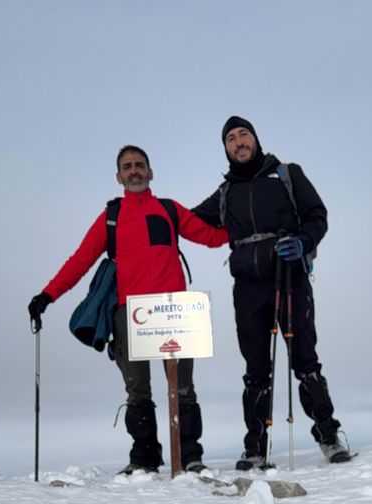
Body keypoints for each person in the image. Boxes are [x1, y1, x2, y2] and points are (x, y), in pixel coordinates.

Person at [28, 145, 229, 475]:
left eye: (139, 165)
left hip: (174, 310)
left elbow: (210, 237)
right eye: (127, 166)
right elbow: (80, 260)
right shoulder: (112, 216)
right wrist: (47, 295)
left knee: (183, 389)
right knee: (138, 389)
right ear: (119, 176)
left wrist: (248, 229)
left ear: (151, 173)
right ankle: (145, 458)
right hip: (130, 313)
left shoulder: (169, 209)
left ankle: (191, 455)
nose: (134, 171)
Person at [192, 116, 351, 470]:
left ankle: (328, 435)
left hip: (288, 276)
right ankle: (255, 447)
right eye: (230, 138)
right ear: (226, 149)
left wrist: (303, 241)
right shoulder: (225, 193)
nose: (238, 142)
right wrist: (154, 218)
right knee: (255, 368)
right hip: (248, 286)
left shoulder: (286, 174)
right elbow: (188, 221)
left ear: (255, 139)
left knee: (305, 358)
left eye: (243, 134)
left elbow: (317, 214)